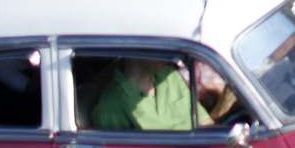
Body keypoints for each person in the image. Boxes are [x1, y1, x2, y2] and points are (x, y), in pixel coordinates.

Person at [91, 57, 232, 131]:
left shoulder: (169, 75)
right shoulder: (110, 106)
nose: (168, 55)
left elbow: (205, 125)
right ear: (136, 49)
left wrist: (227, 104)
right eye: (158, 50)